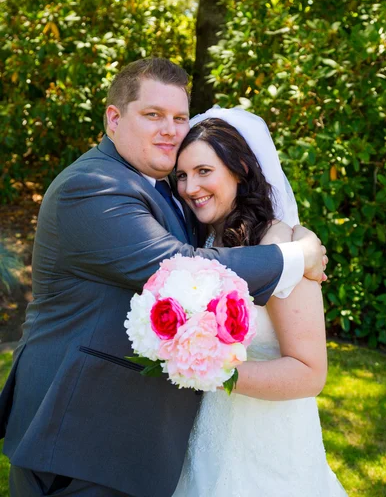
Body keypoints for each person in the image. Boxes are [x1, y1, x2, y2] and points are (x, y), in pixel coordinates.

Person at [0, 58, 326, 497]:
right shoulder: (93, 185)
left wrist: (293, 233)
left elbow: (220, 247)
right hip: (80, 436)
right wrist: (294, 255)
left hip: (133, 441)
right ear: (114, 119)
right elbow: (178, 267)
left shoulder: (166, 194)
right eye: (153, 115)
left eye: (179, 118)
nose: (170, 129)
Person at [172, 109, 347, 496]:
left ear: (241, 170)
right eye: (182, 175)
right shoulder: (206, 243)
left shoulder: (282, 244)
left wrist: (214, 372)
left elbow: (310, 372)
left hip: (269, 446)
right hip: (209, 433)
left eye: (204, 171)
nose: (189, 187)